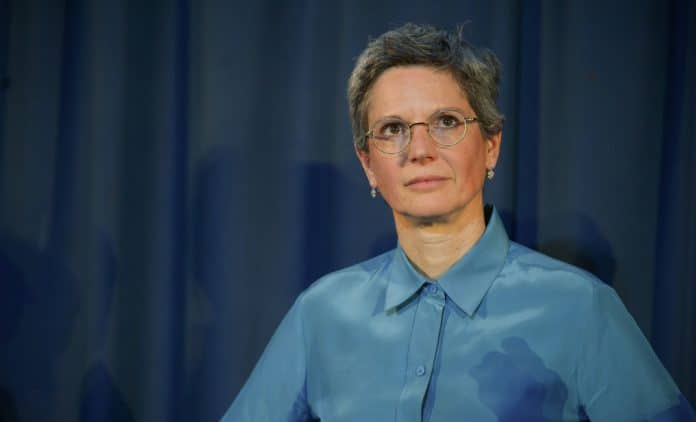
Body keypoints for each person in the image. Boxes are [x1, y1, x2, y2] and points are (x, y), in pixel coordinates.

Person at [221, 23, 694, 421]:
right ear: (368, 164)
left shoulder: (580, 308)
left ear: (491, 145)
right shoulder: (322, 313)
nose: (419, 150)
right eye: (393, 129)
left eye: (446, 122)